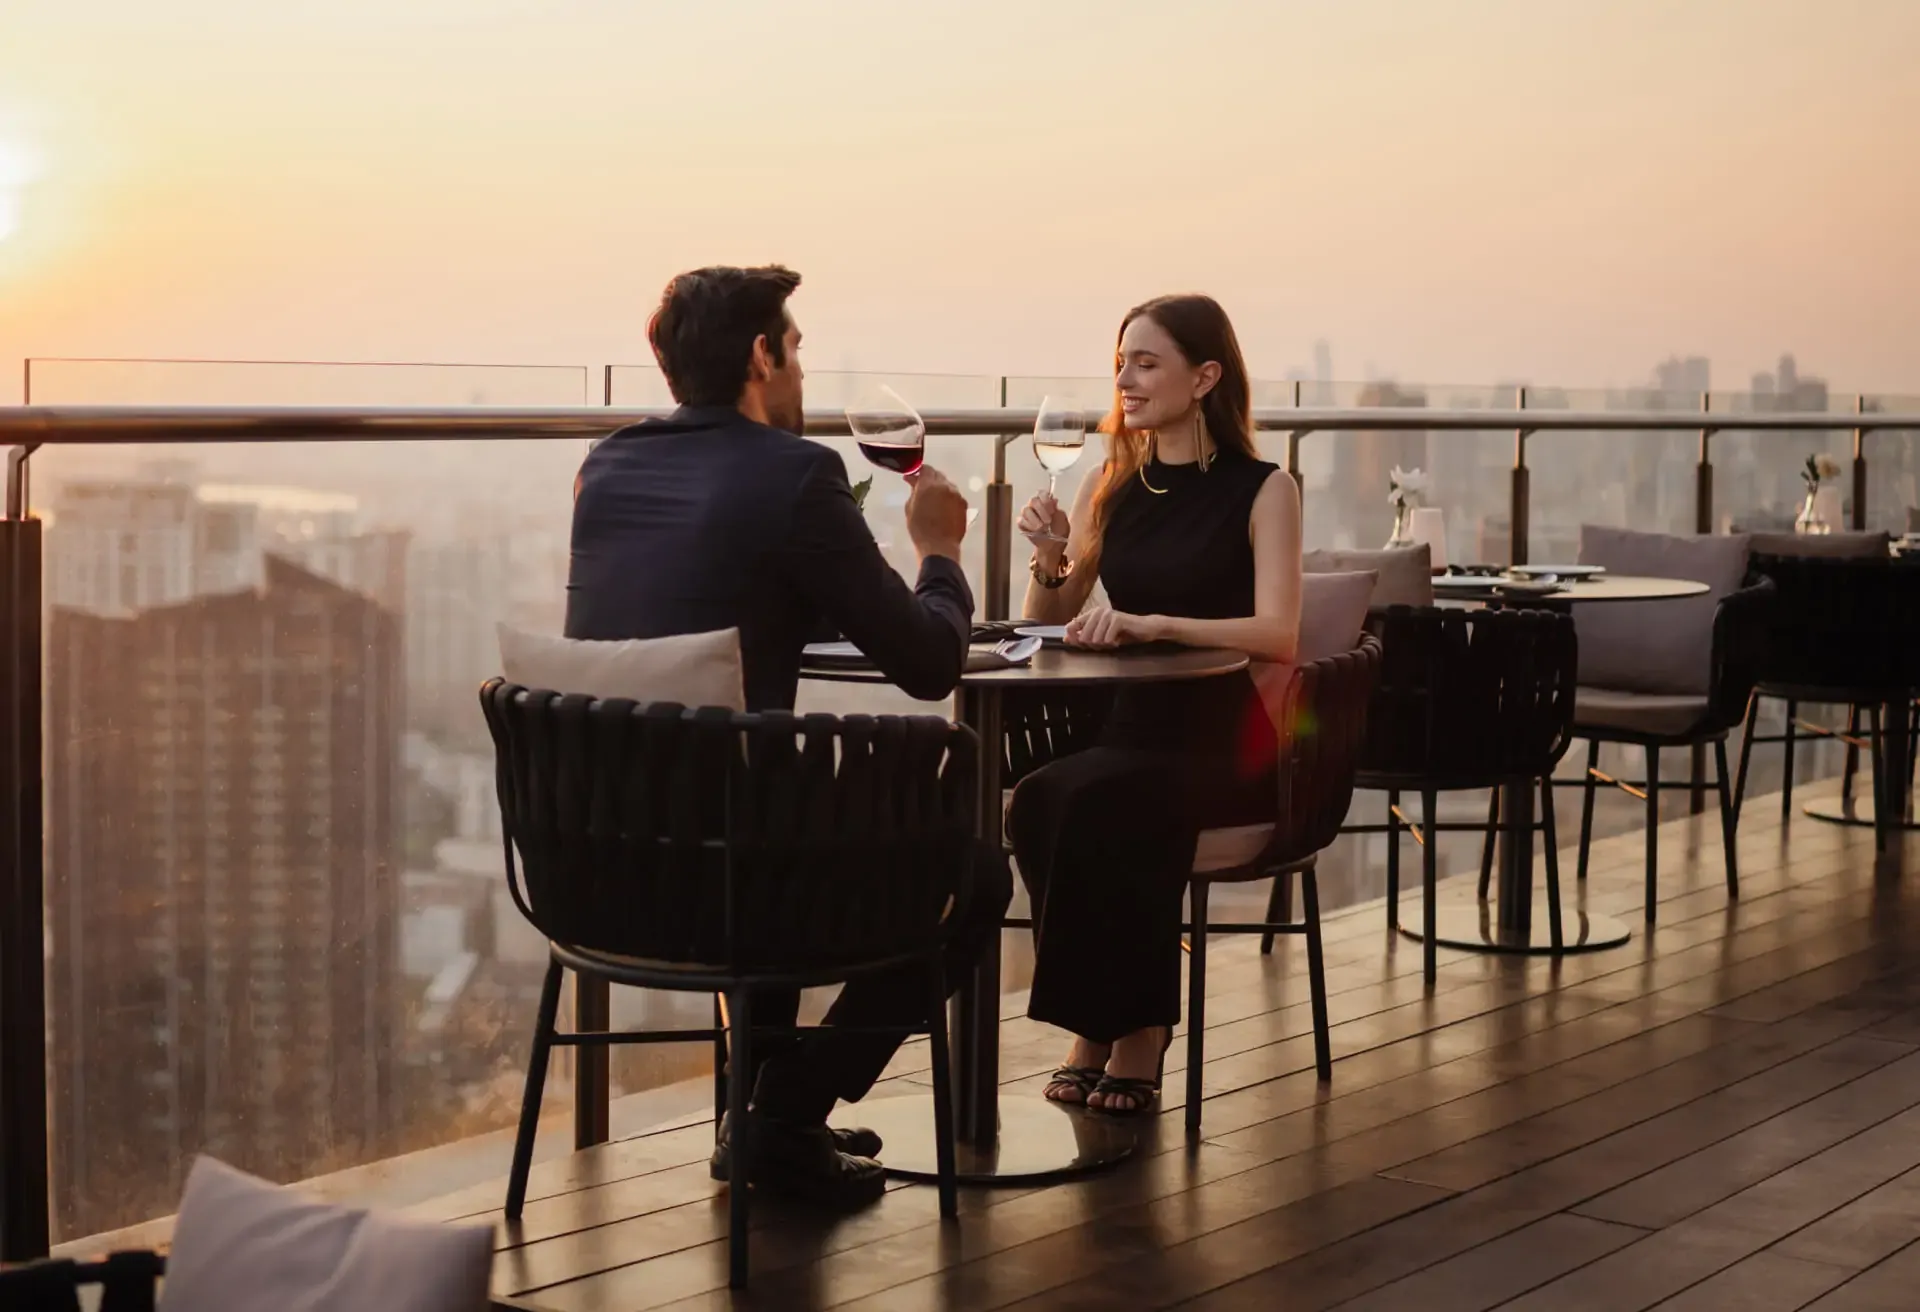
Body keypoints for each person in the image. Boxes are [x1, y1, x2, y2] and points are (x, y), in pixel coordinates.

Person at [566, 264, 1013, 1205]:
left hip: (592, 869)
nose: (804, 370)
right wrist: (939, 552)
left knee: (765, 798)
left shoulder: (605, 467)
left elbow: (708, 601)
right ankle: (789, 1109)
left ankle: (767, 1116)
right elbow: (930, 664)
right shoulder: (797, 475)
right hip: (734, 879)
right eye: (798, 348)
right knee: (973, 878)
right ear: (762, 356)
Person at [1009, 293, 1303, 1115]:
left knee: (1112, 804)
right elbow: (1047, 622)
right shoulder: (1114, 485)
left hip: (1223, 737)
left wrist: (1157, 624)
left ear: (1205, 377)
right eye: (1120, 364)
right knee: (1040, 800)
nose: (1125, 382)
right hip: (1128, 728)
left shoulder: (1265, 488)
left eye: (1146, 363)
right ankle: (1100, 1021)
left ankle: (1135, 1033)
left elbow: (1280, 633)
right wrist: (1050, 557)